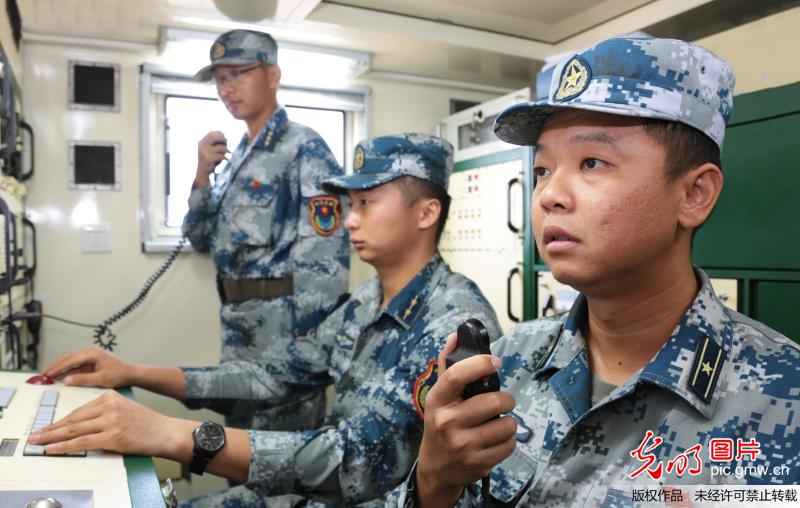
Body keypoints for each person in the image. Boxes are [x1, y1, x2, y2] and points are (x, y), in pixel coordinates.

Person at [403, 37, 800, 507]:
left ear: (694, 194)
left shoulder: (783, 397)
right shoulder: (507, 365)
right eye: (543, 170)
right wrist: (433, 481)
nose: (550, 195)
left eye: (592, 162)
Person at [34, 134, 502, 507]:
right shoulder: (366, 300)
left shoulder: (454, 321)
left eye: (366, 203)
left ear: (426, 212)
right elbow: (272, 376)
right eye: (350, 204)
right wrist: (133, 372)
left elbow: (359, 459)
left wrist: (172, 435)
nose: (348, 221)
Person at [182, 29, 350, 433]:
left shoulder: (303, 147)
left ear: (272, 75)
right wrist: (202, 175)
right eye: (220, 79)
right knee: (238, 452)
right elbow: (201, 238)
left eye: (239, 73)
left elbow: (324, 262)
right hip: (239, 334)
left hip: (284, 343)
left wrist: (306, 356)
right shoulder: (237, 155)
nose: (227, 88)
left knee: (280, 466)